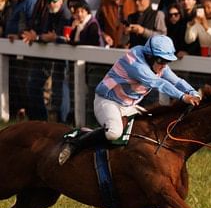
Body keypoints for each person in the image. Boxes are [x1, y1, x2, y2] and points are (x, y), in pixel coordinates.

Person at [58, 36, 201, 165]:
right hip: (107, 102)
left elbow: (176, 80)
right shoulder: (136, 65)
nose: (164, 65)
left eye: (167, 61)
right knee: (114, 133)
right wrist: (184, 97)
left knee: (151, 128)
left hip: (129, 106)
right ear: (150, 56)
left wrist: (193, 92)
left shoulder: (156, 61)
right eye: (162, 61)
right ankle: (77, 140)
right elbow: (159, 84)